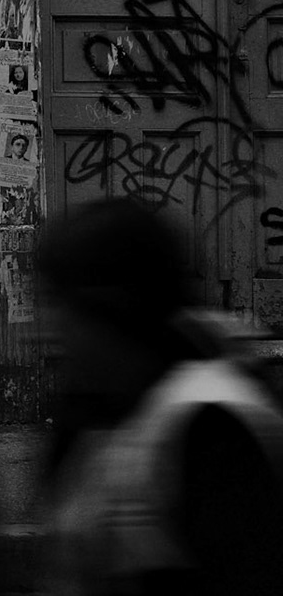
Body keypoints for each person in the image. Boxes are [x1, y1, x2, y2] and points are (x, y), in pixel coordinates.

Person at [37, 197, 283, 596]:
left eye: (61, 307)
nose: (50, 330)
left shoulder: (212, 426)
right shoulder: (93, 405)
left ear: (112, 310)